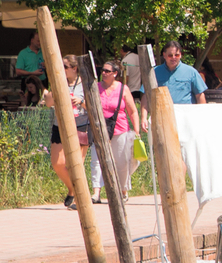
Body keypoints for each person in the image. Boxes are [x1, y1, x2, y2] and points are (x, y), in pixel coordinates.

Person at [87, 58, 141, 201]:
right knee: (97, 161)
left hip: (119, 130)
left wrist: (136, 131)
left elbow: (133, 111)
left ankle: (123, 190)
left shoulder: (123, 89)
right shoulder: (95, 87)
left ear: (115, 73)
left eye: (107, 71)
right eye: (102, 71)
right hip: (99, 129)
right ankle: (96, 193)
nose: (103, 73)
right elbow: (89, 106)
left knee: (121, 162)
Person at [48, 56, 88, 208]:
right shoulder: (59, 81)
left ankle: (79, 198)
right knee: (58, 163)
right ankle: (72, 189)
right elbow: (49, 103)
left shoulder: (83, 84)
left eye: (64, 66)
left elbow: (93, 106)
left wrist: (81, 101)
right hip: (60, 124)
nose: (62, 69)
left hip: (80, 124)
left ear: (74, 68)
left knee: (76, 164)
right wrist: (55, 86)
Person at [156, 41, 208, 105]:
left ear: (180, 55)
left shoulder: (191, 72)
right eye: (170, 55)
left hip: (186, 114)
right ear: (164, 55)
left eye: (176, 55)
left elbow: (200, 96)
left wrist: (201, 114)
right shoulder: (155, 72)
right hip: (163, 113)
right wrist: (144, 115)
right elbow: (146, 95)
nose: (173, 58)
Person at [14, 32, 46, 104]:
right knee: (27, 103)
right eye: (38, 41)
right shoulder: (23, 53)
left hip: (42, 82)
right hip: (29, 82)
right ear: (32, 40)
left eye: (41, 41)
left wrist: (46, 66)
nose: (40, 43)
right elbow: (18, 71)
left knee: (43, 103)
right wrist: (33, 73)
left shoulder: (43, 51)